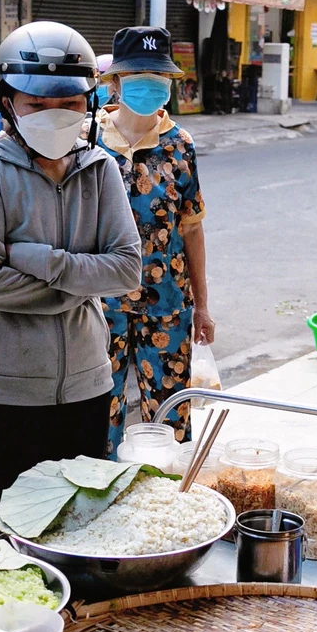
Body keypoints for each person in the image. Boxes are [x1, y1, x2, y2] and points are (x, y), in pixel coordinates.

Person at [0, 23, 141, 541]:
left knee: (74, 538)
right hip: (1, 397)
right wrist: (78, 288)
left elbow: (127, 268)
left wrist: (42, 261)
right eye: (36, 105)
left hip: (86, 389)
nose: (53, 117)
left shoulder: (100, 168)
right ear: (7, 103)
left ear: (90, 104)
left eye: (70, 104)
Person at [98, 27, 212, 451]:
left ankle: (164, 502)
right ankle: (99, 499)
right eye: (137, 75)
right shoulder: (88, 142)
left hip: (167, 305)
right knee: (96, 412)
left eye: (156, 76)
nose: (148, 84)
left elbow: (193, 229)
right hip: (100, 306)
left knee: (169, 422)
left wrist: (202, 307)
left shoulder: (180, 146)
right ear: (116, 82)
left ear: (168, 84)